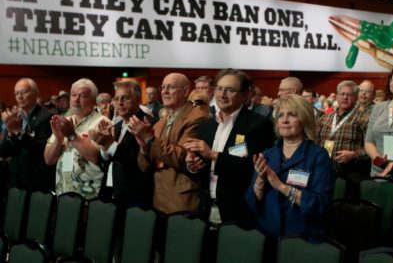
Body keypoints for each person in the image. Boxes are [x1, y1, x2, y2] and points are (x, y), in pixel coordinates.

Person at [184, 68, 275, 225]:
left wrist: (212, 154)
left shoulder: (258, 125)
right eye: (219, 88)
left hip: (239, 212)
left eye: (230, 90)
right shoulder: (206, 126)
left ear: (245, 95)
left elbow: (250, 168)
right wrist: (192, 165)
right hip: (206, 210)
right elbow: (199, 172)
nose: (222, 94)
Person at [246, 95, 334, 241]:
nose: (284, 120)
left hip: (302, 238)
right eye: (280, 115)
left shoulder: (319, 156)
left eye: (292, 114)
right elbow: (251, 202)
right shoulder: (267, 154)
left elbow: (320, 205)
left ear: (304, 120)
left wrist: (281, 186)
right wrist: (259, 183)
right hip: (267, 236)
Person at [129, 73, 209, 215]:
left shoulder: (197, 117)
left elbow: (183, 157)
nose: (164, 92)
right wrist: (144, 148)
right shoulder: (160, 123)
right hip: (157, 199)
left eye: (170, 87)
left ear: (185, 91)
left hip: (181, 201)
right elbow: (144, 167)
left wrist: (150, 139)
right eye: (163, 87)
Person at [89, 80, 154, 208]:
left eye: (125, 98)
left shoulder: (147, 124)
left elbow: (139, 164)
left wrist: (110, 144)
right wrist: (104, 146)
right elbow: (106, 162)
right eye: (116, 99)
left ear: (138, 100)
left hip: (133, 197)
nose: (120, 103)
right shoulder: (116, 126)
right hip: (110, 192)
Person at [44, 78, 106, 199]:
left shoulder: (102, 122)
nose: (76, 99)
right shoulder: (63, 121)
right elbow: (48, 160)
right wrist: (58, 140)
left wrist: (72, 136)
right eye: (73, 95)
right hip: (62, 190)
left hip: (89, 194)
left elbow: (97, 157)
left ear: (93, 101)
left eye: (82, 96)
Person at [317, 80, 370, 200]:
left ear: (356, 98)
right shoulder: (325, 118)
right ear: (336, 96)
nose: (345, 97)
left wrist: (355, 154)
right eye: (342, 94)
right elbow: (316, 142)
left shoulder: (364, 118)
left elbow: (373, 146)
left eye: (350, 95)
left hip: (352, 172)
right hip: (325, 170)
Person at [0, 78, 55, 192]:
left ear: (36, 93)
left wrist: (19, 131)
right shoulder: (16, 117)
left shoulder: (46, 117)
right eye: (16, 93)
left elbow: (42, 149)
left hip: (36, 182)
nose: (19, 97)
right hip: (15, 180)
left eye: (23, 92)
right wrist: (11, 133)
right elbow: (3, 151)